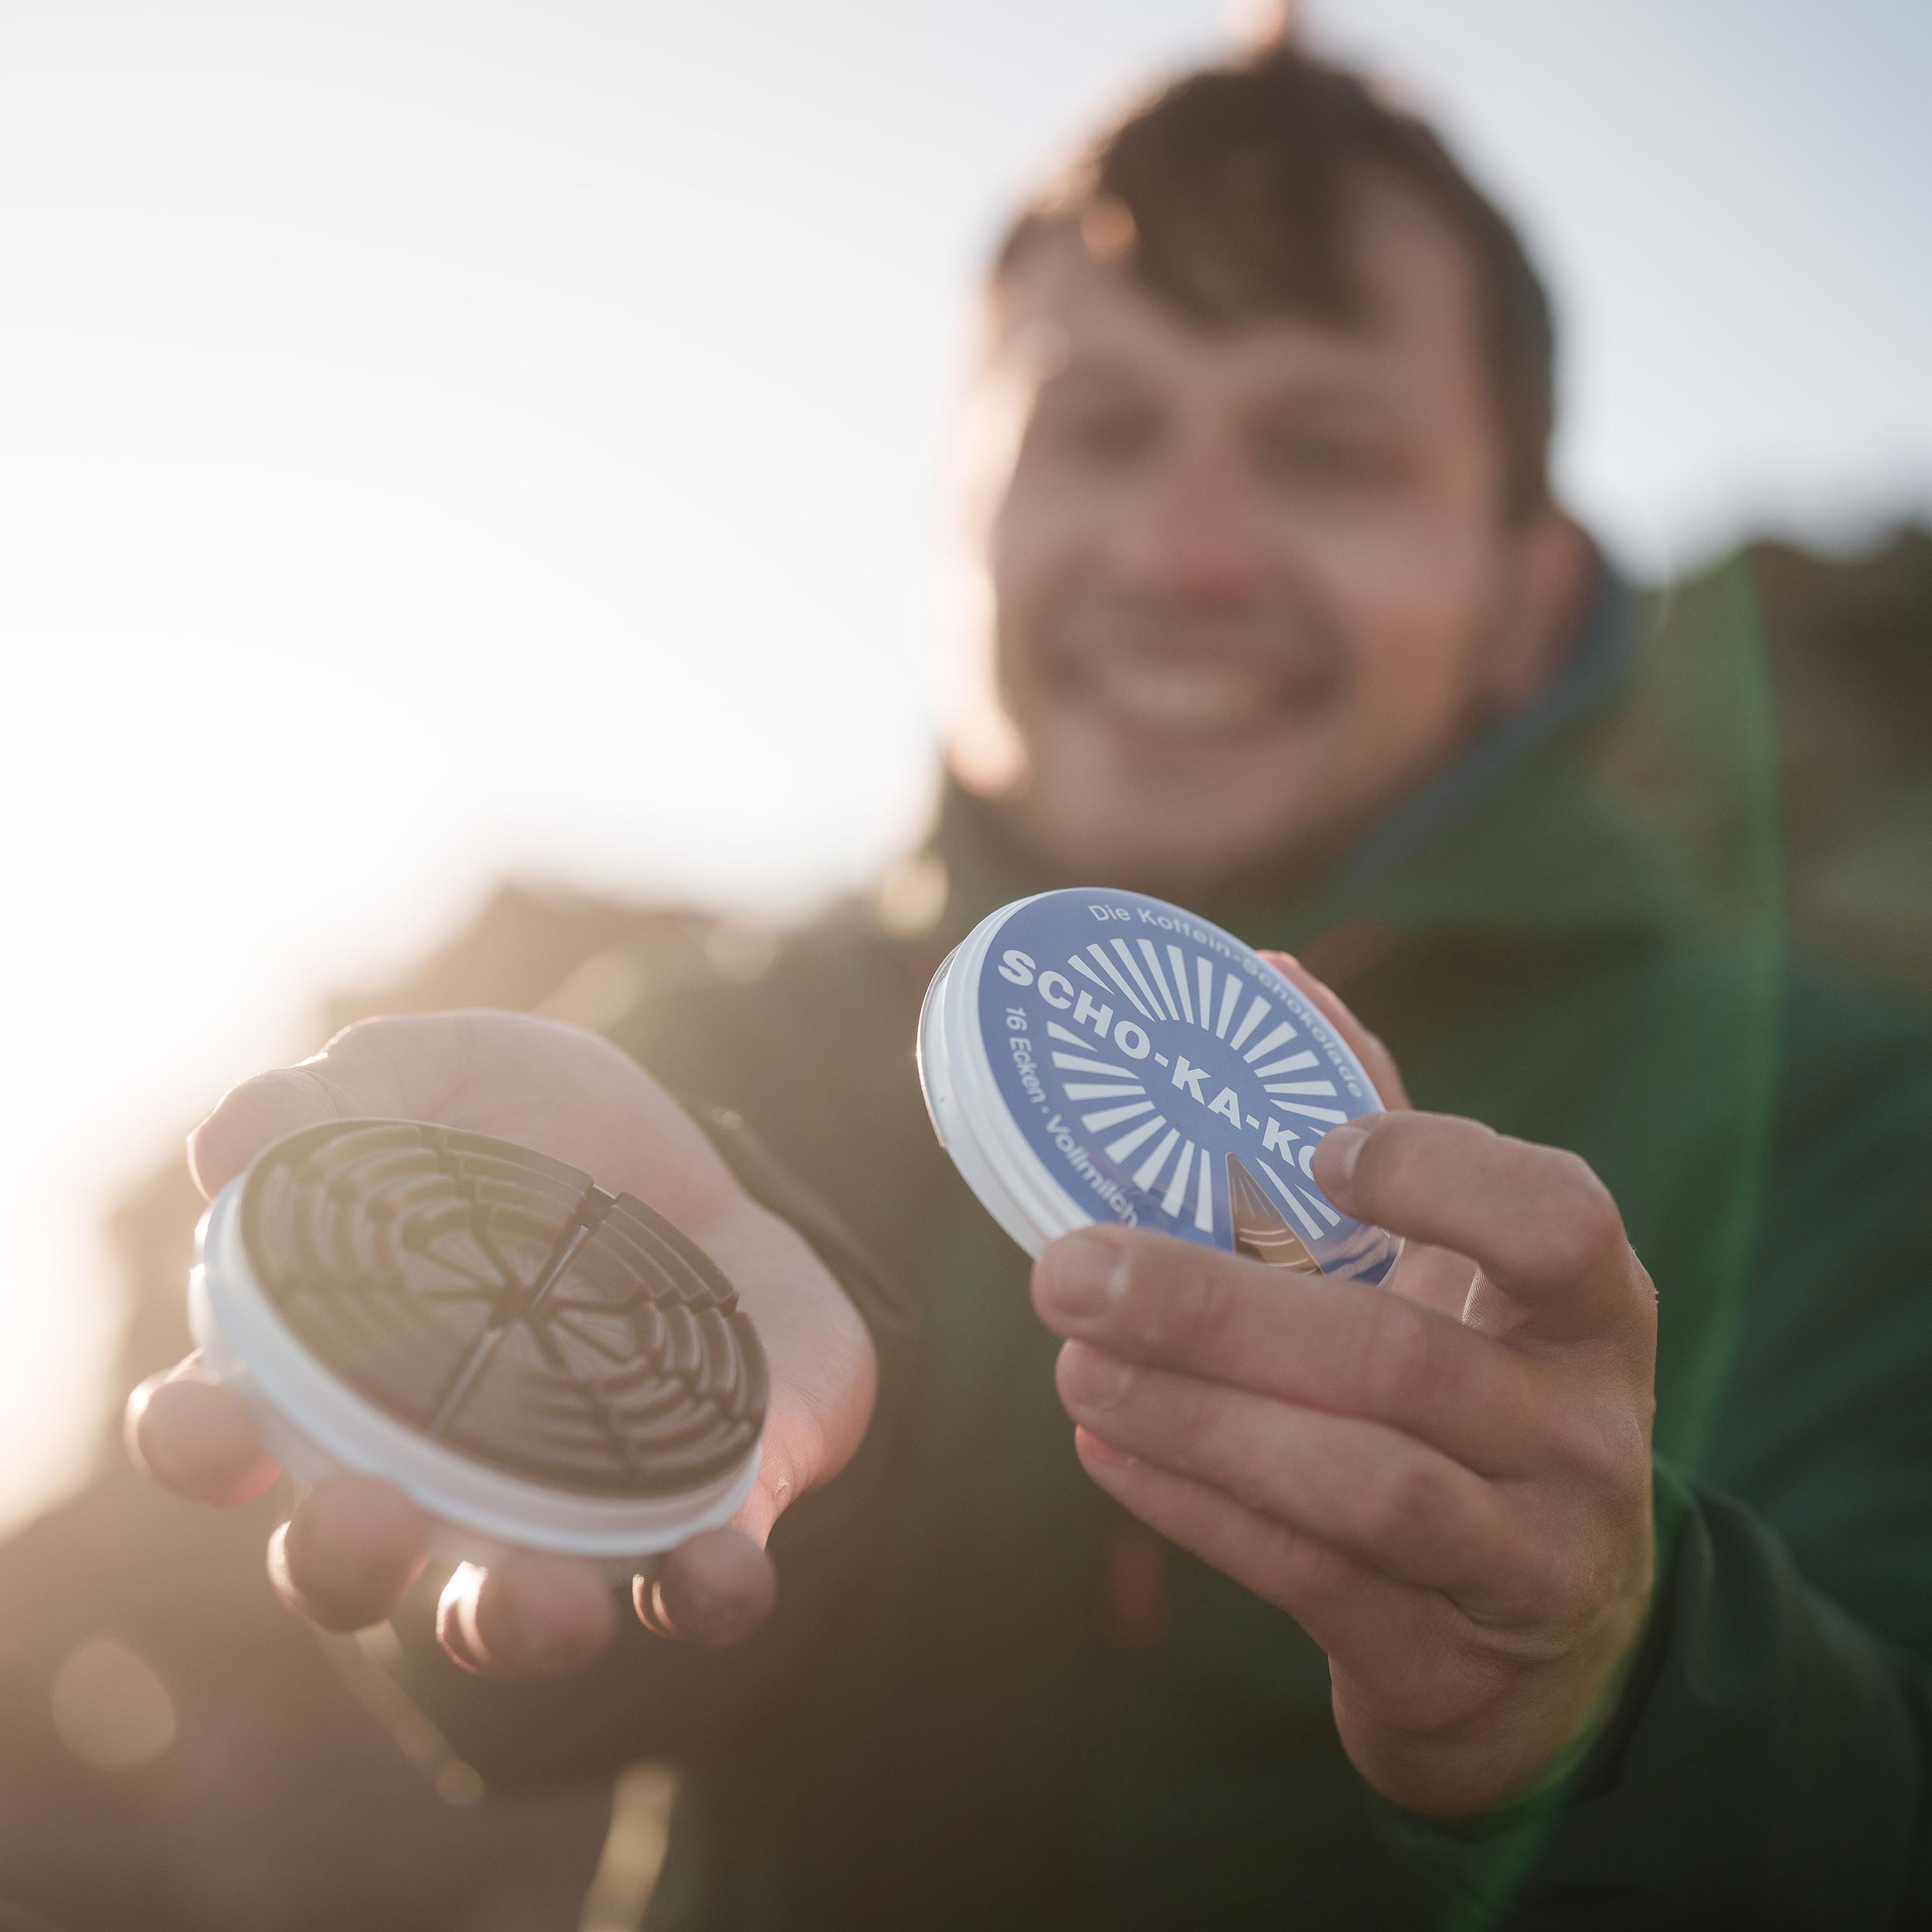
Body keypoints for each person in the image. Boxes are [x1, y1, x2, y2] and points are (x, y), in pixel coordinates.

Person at [124, 34, 1932, 1930]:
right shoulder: (698, 1061)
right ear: (960, 513)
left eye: (1323, 453)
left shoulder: (1839, 1124)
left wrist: (1615, 1682)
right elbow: (527, 1668)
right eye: (1099, 430)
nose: (1180, 552)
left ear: (1526, 595)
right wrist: (579, 1426)